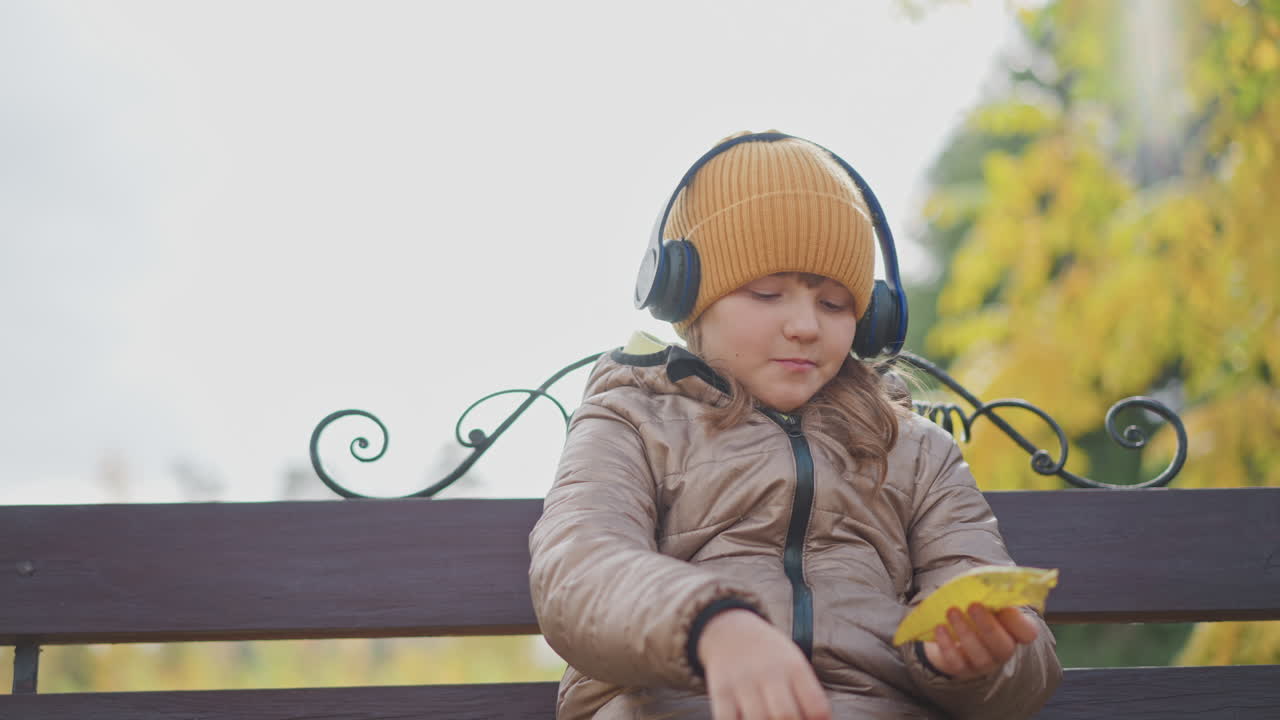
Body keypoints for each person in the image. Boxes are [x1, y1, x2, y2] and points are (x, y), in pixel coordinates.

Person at [528, 131, 1062, 720]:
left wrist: (976, 660)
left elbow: (1021, 651)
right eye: (767, 293)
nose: (806, 326)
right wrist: (711, 624)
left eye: (835, 305)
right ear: (685, 298)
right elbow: (577, 568)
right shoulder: (630, 419)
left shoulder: (916, 452)